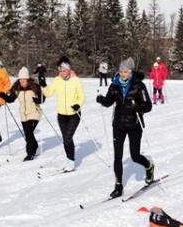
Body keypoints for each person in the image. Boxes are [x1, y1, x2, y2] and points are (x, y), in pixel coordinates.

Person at [96, 58, 154, 198]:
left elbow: (148, 106)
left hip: (134, 125)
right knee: (118, 157)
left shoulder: (138, 85)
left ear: (130, 71)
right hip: (118, 125)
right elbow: (109, 102)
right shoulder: (114, 85)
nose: (123, 74)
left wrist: (136, 107)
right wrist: (102, 100)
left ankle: (149, 167)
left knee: (135, 156)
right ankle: (118, 186)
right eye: (121, 71)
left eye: (125, 71)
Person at [42, 58, 86, 171]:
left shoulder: (75, 80)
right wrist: (43, 85)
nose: (61, 73)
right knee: (66, 139)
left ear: (68, 70)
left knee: (67, 138)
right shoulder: (57, 80)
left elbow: (82, 96)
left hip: (74, 114)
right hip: (61, 115)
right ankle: (69, 158)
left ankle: (71, 161)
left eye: (64, 70)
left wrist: (77, 105)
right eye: (60, 71)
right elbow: (49, 93)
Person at [0, 67, 42, 161]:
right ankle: (34, 145)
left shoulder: (35, 87)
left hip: (34, 113)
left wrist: (37, 100)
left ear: (27, 79)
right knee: (28, 134)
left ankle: (30, 154)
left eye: (24, 79)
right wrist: (4, 96)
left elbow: (42, 98)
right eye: (20, 79)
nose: (22, 81)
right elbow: (11, 100)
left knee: (29, 132)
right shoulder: (17, 88)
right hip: (23, 114)